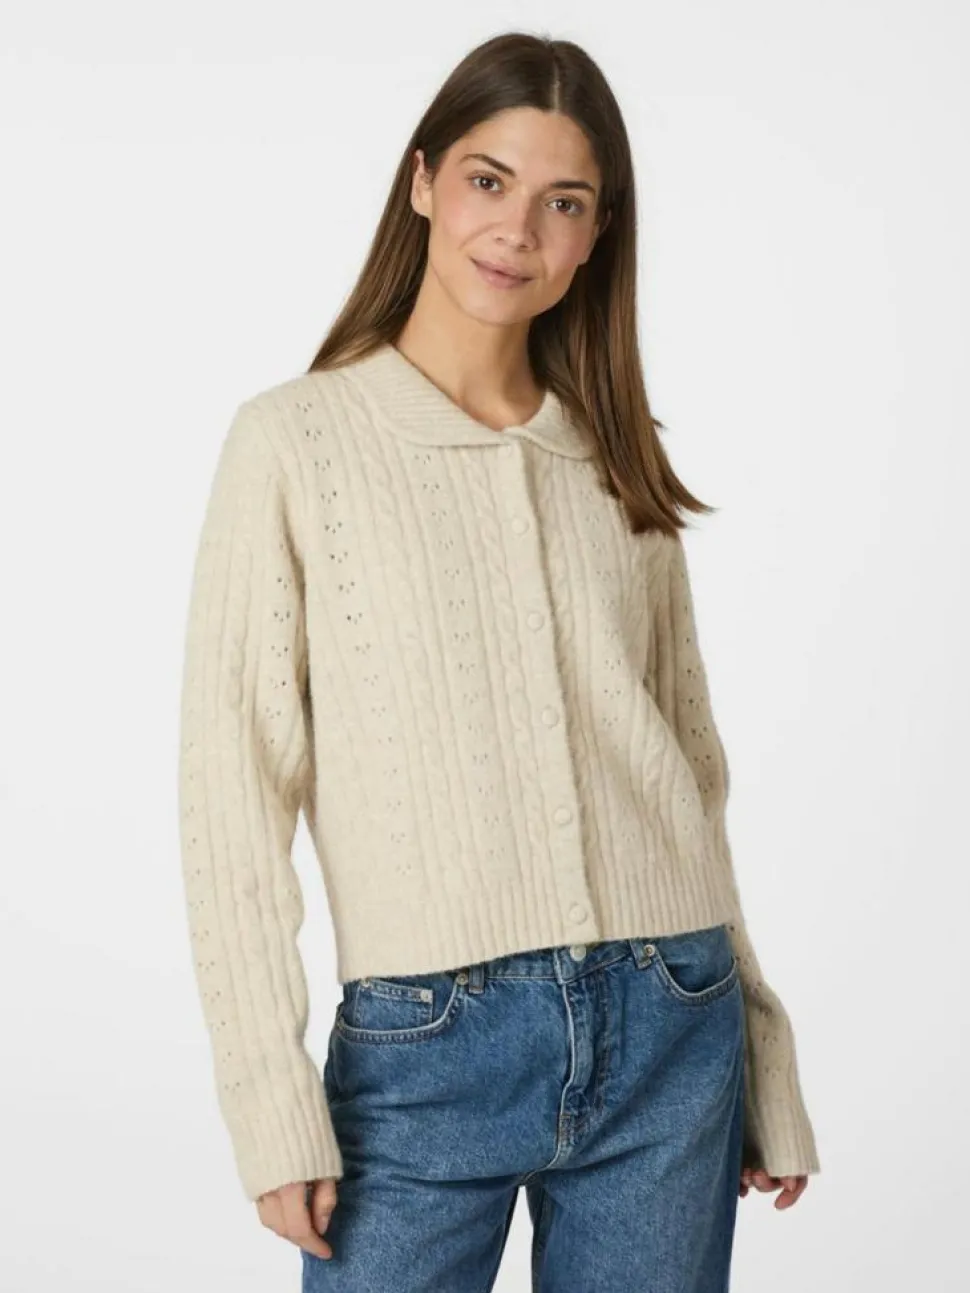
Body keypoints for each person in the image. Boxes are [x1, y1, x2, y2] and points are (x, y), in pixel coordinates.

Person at [177, 30, 820, 1291]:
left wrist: (763, 1047)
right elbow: (231, 792)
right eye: (487, 180)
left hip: (671, 1020)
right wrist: (267, 1097)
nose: (516, 230)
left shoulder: (615, 455)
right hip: (422, 1048)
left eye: (562, 202)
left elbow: (689, 776)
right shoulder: (295, 444)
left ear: (595, 236)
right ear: (422, 180)